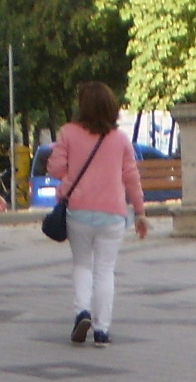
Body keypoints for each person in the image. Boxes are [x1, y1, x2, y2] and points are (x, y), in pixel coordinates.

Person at [46, 82, 148, 347]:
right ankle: (102, 330)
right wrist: (140, 212)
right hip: (112, 214)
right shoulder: (120, 139)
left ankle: (82, 312)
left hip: (78, 210)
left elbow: (54, 169)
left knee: (82, 265)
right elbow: (131, 177)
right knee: (105, 271)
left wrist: (71, 175)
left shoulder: (68, 132)